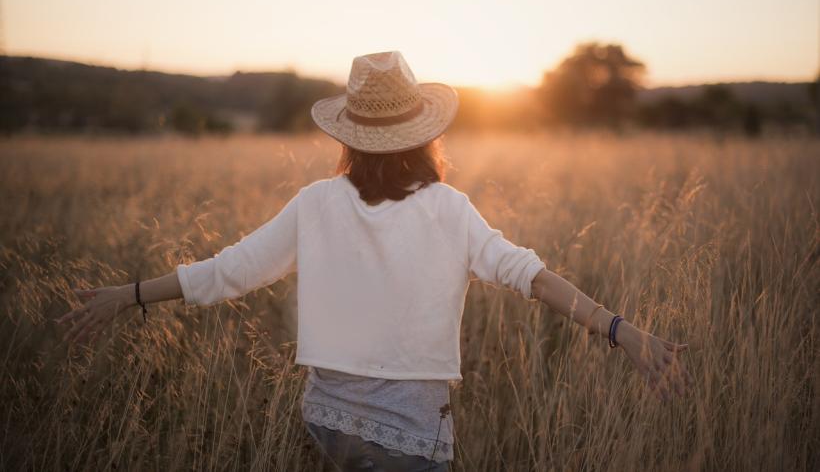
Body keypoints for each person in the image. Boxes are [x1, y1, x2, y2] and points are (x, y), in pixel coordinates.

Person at [55, 51, 692, 472]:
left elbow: (228, 271)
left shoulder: (315, 204)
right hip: (412, 438)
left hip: (327, 426)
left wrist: (129, 294)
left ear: (350, 137)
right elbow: (533, 277)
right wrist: (621, 331)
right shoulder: (450, 208)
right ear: (426, 135)